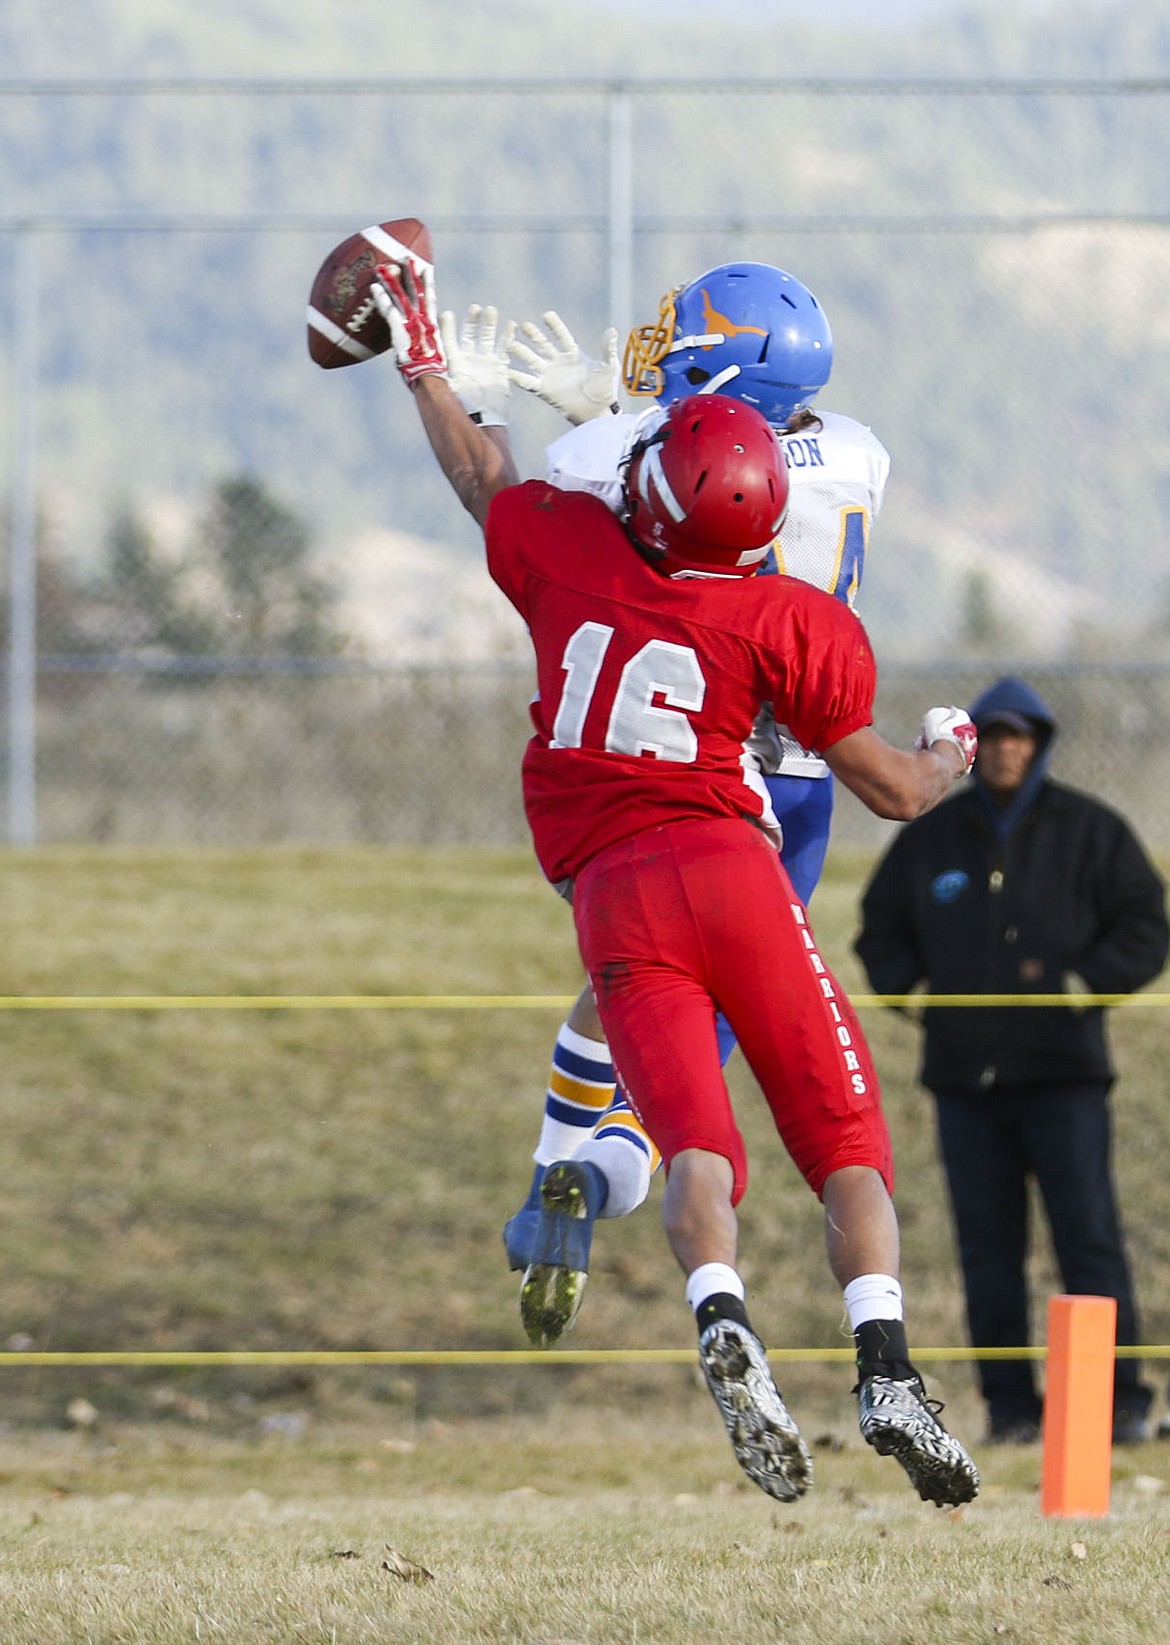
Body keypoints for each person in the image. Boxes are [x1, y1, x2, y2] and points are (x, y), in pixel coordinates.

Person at [369, 253, 980, 1508]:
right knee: (842, 1133)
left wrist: (432, 365)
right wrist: (953, 753)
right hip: (757, 817)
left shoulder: (580, 537)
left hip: (617, 871)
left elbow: (493, 478)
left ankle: (691, 1280)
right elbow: (894, 786)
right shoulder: (818, 527)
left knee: (684, 1129)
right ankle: (885, 1363)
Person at [500, 264, 892, 1348]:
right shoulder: (856, 451)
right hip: (806, 771)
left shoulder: (624, 459)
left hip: (703, 753)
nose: (659, 341)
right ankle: (580, 1174)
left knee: (641, 992)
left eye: (686, 335)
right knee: (699, 1028)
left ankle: (570, 1173)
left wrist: (597, 414)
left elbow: (598, 486)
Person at [854, 676, 1169, 1446]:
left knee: (1087, 1235)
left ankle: (1117, 1403)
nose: (1005, 749)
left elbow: (1146, 923)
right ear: (976, 747)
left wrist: (1084, 983)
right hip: (965, 1083)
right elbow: (879, 931)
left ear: (1038, 744)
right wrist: (916, 992)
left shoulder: (1090, 831)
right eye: (992, 736)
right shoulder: (932, 836)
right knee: (986, 1248)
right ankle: (1011, 1410)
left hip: (1066, 1078)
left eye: (1019, 736)